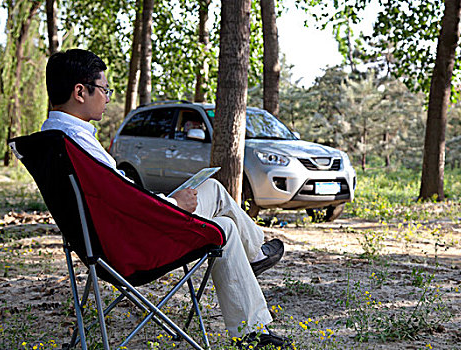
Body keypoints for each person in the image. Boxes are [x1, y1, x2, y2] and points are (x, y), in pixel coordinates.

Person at [42, 49, 291, 349]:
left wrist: (165, 201)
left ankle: (255, 256)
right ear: (80, 92)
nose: (108, 98)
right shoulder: (77, 143)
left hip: (102, 240)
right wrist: (172, 205)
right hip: (130, 249)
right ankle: (252, 329)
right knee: (224, 228)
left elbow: (115, 197)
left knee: (211, 189)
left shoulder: (51, 138)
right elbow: (123, 200)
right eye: (105, 89)